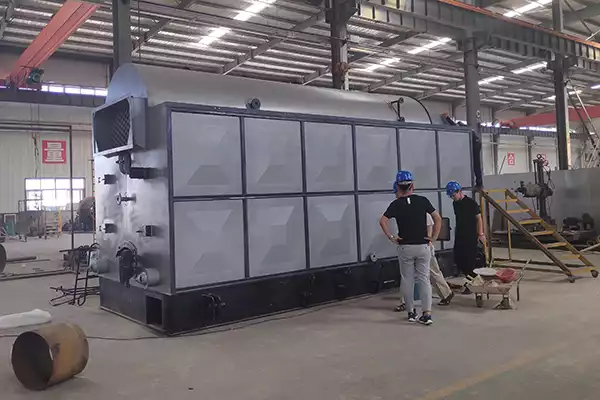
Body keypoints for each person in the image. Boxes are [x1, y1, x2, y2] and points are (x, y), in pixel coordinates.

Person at [380, 171, 442, 325]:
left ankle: (411, 312)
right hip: (423, 246)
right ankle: (427, 314)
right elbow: (437, 218)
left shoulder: (396, 204)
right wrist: (434, 237)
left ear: (398, 187)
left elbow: (383, 221)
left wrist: (391, 237)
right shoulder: (422, 201)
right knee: (424, 279)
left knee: (407, 279)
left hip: (405, 247)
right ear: (412, 186)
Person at [394, 212, 454, 311]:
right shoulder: (407, 214)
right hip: (412, 247)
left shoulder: (424, 214)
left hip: (424, 248)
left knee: (432, 272)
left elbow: (429, 230)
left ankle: (446, 293)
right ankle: (404, 302)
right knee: (407, 276)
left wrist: (429, 242)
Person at [445, 181, 486, 280]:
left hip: (470, 235)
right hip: (460, 234)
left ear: (459, 191)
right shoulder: (455, 204)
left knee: (469, 259)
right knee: (458, 257)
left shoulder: (471, 203)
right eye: (451, 196)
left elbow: (479, 218)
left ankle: (472, 279)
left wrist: (480, 234)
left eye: (453, 195)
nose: (452, 198)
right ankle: (465, 277)